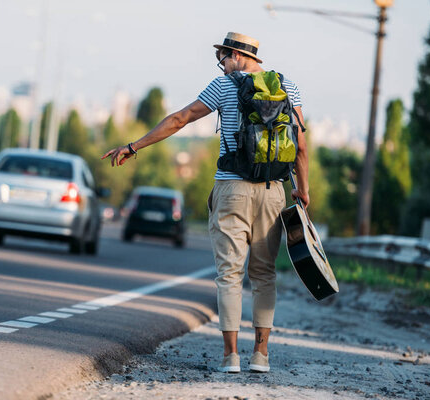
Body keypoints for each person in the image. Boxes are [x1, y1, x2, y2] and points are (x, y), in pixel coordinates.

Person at [102, 32, 309, 373]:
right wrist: (302, 189)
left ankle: (231, 357)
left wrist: (134, 146)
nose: (222, 65)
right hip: (274, 189)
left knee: (229, 274)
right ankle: (261, 356)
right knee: (264, 274)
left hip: (232, 189)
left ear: (236, 55)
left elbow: (179, 119)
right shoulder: (289, 87)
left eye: (223, 58)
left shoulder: (224, 85)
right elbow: (300, 145)